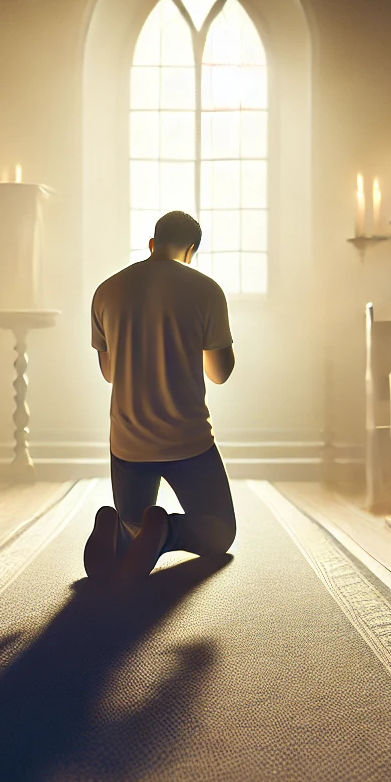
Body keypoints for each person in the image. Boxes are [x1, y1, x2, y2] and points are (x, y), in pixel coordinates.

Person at [85, 210, 238, 582]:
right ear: (190, 252)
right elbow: (220, 374)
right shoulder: (206, 290)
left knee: (136, 530)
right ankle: (167, 531)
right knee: (219, 532)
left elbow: (109, 374)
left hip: (128, 443)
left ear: (152, 244)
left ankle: (123, 529)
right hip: (188, 442)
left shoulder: (106, 291)